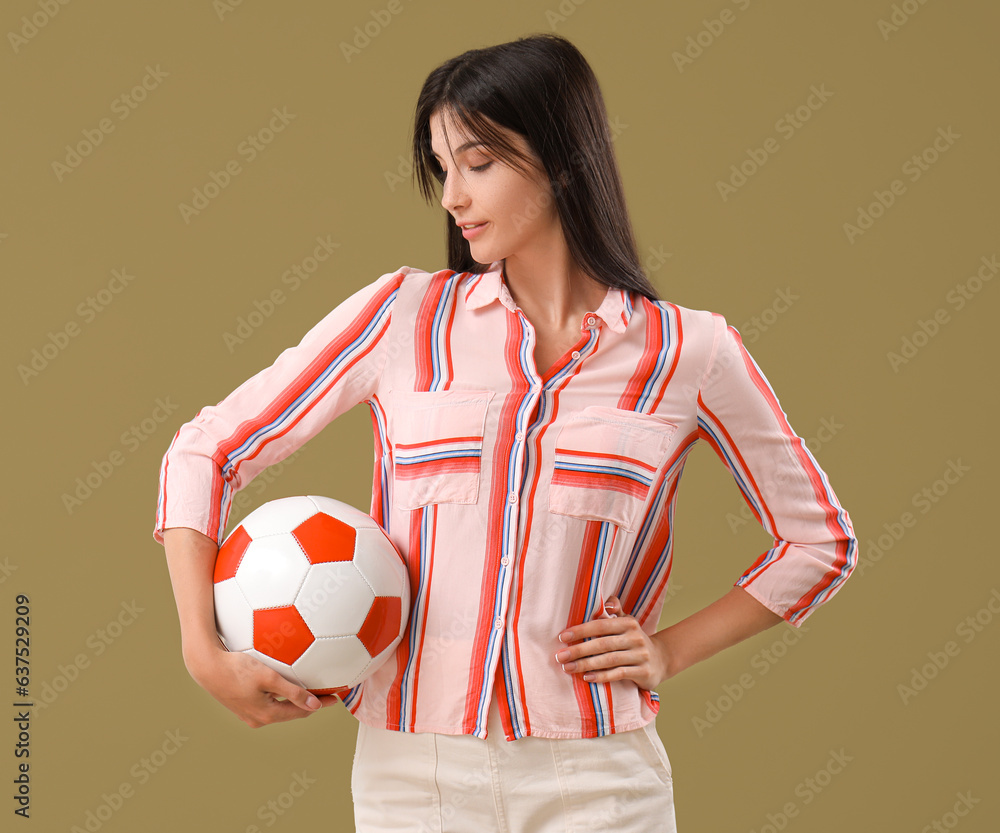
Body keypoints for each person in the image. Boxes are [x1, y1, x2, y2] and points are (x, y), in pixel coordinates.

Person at [154, 33, 857, 832]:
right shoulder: (404, 317)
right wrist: (199, 645)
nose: (453, 194)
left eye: (479, 162)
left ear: (562, 157)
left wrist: (668, 651)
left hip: (599, 780)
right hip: (413, 775)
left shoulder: (688, 351)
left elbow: (819, 541)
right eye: (442, 167)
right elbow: (206, 449)